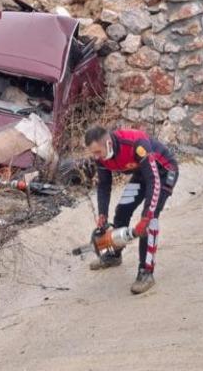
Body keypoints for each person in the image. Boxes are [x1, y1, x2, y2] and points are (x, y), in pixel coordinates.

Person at [85, 126, 178, 294]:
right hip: (142, 174)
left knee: (150, 220)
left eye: (98, 152)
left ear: (108, 143)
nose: (96, 157)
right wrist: (102, 215)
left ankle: (146, 272)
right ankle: (114, 255)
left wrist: (147, 216)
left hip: (163, 172)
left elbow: (154, 181)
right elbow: (104, 186)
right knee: (122, 211)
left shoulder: (136, 144)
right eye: (93, 153)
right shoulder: (101, 157)